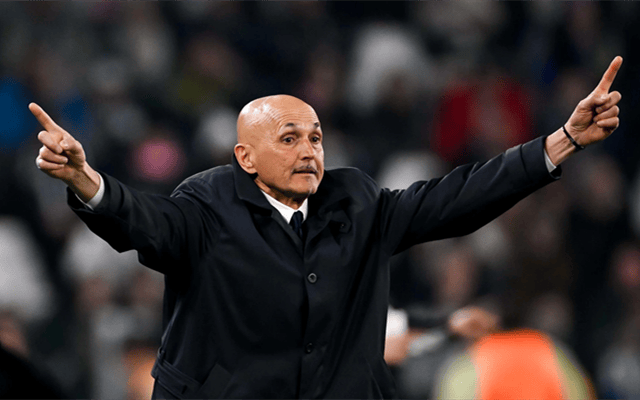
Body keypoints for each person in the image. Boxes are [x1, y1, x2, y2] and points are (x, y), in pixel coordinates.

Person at [31, 56, 623, 399]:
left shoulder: (356, 202)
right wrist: (86, 179)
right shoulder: (205, 206)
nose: (309, 150)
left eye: (315, 137)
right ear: (245, 158)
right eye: (289, 138)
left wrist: (560, 142)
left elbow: (455, 198)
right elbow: (143, 222)